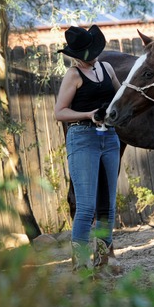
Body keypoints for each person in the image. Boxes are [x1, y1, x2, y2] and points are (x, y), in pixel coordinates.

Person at [55, 25, 121, 277]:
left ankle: (102, 264)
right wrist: (89, 114)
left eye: (92, 52)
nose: (90, 57)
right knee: (85, 207)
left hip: (110, 138)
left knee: (108, 207)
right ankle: (80, 268)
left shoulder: (106, 68)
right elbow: (59, 112)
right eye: (85, 54)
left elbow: (119, 95)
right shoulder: (73, 75)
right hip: (83, 138)